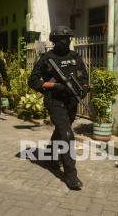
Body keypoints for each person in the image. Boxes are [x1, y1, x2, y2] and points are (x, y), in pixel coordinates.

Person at [28, 26, 89, 190]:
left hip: (71, 101)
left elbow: (84, 75)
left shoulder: (75, 56)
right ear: (55, 41)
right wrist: (53, 86)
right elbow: (33, 81)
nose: (67, 41)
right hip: (55, 101)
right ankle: (71, 175)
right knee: (68, 135)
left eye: (68, 38)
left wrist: (84, 88)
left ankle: (50, 154)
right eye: (63, 38)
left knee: (62, 130)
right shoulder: (47, 59)